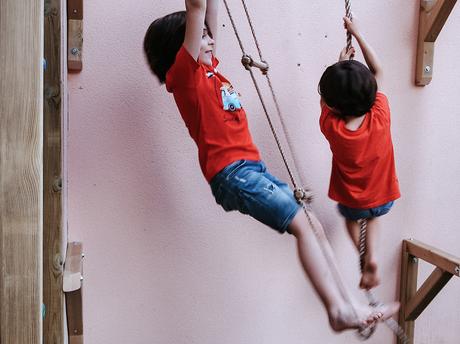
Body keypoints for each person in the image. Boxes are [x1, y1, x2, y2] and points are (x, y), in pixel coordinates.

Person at [144, 0, 399, 331]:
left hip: (252, 169)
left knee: (312, 224)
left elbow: (208, 12)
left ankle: (345, 305)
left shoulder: (209, 71)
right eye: (201, 36)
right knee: (303, 225)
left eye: (208, 35)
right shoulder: (187, 76)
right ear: (179, 51)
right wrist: (198, 18)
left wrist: (208, 20)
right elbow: (196, 7)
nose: (209, 38)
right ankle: (339, 311)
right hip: (233, 174)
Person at [318, 16, 401, 290]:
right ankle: (373, 257)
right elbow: (377, 71)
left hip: (353, 198)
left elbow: (326, 100)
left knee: (353, 222)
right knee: (374, 217)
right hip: (383, 192)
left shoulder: (333, 128)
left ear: (335, 106)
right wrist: (358, 33)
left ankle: (366, 258)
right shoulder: (380, 115)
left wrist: (340, 63)